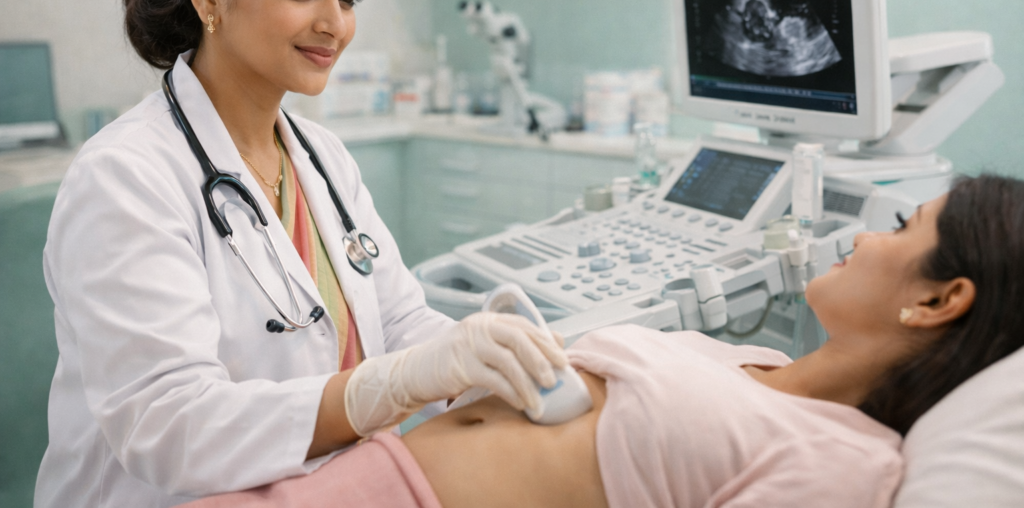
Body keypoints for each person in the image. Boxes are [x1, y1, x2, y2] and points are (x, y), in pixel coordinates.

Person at [35, 0, 567, 508]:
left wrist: (479, 358)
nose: (334, 23)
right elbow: (169, 425)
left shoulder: (322, 158)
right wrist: (389, 387)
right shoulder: (125, 176)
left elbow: (397, 319)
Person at [181, 174, 1024, 508]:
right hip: (311, 482)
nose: (865, 235)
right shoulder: (755, 361)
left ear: (939, 298)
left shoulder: (845, 465)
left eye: (902, 226)